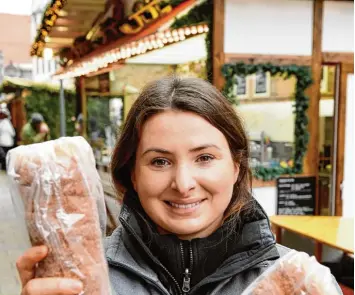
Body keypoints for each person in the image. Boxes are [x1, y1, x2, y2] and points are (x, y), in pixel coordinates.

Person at [15, 77, 339, 295]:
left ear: (235, 167)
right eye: (160, 161)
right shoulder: (87, 282)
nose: (183, 185)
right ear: (132, 174)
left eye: (205, 158)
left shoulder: (298, 282)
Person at [0, 104, 15, 170]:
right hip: (2, 144)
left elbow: (13, 133)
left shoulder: (7, 122)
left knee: (6, 158)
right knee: (4, 158)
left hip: (8, 143)